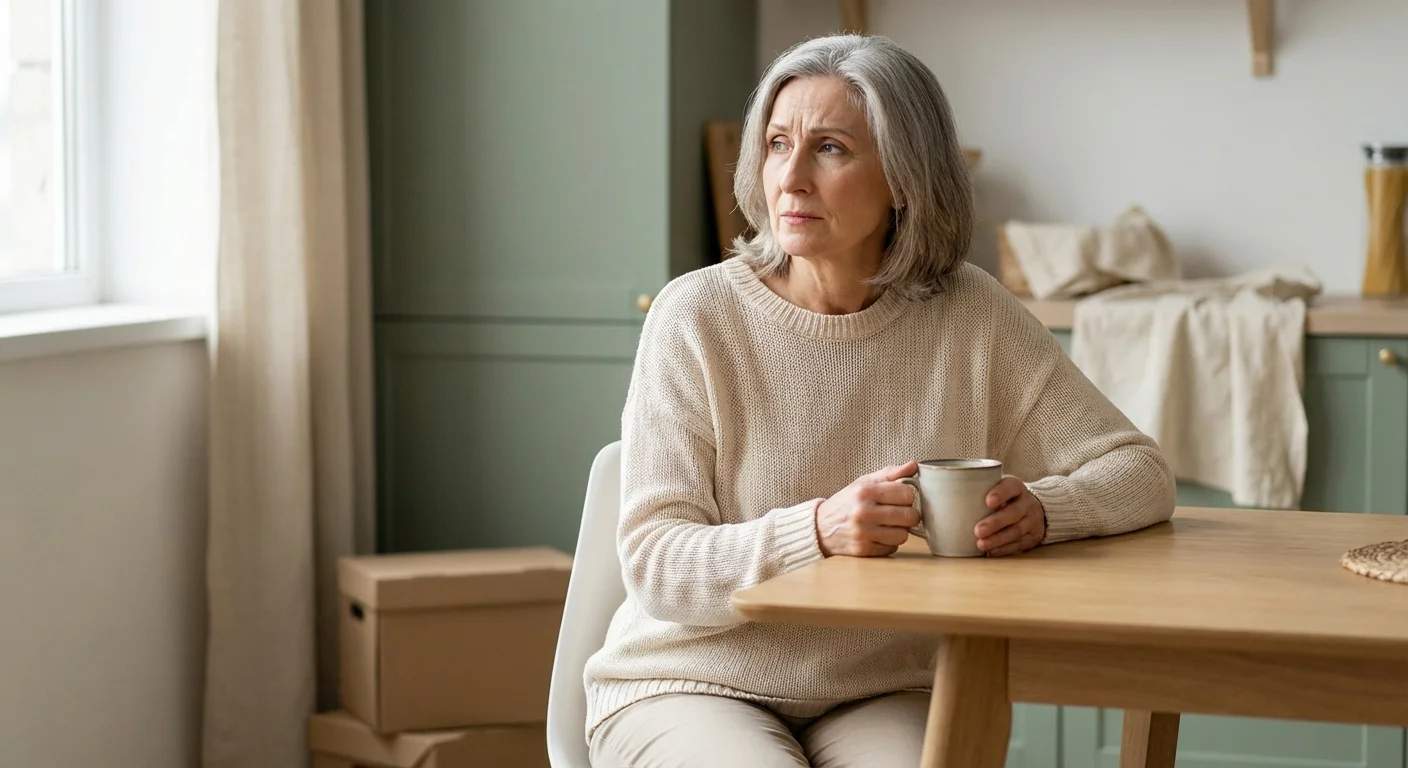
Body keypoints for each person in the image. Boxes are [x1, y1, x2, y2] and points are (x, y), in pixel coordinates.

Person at [582, 33, 1175, 768]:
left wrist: (1051, 511)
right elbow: (658, 565)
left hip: (883, 687)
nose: (790, 178)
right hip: (689, 681)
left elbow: (1139, 470)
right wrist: (820, 530)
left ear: (903, 177)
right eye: (775, 144)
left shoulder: (971, 313)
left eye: (829, 148)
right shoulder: (696, 316)